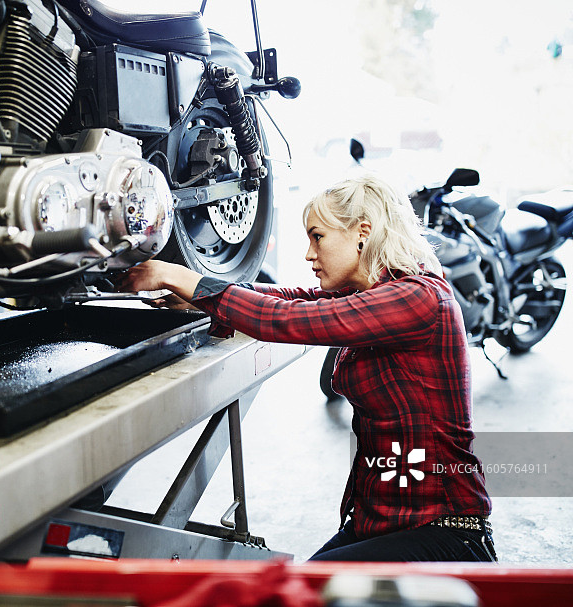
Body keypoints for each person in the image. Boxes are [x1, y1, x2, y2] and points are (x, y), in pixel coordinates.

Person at [115, 174, 496, 562]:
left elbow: (286, 320)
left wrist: (182, 277)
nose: (309, 254)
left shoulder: (418, 298)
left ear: (362, 232)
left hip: (442, 530)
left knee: (296, 595)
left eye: (318, 237)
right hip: (382, 522)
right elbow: (294, 298)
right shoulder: (373, 294)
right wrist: (200, 298)